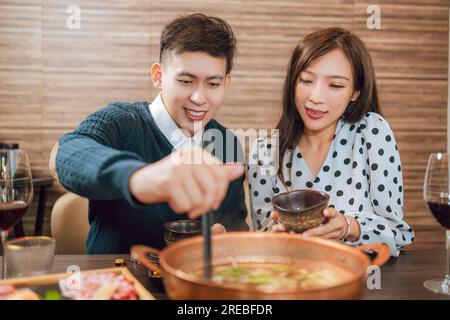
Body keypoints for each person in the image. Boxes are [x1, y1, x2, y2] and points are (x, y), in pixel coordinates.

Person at [52, 13, 249, 254]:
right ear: (159, 76)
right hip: (116, 282)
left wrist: (226, 236)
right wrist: (140, 177)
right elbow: (66, 154)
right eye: (186, 81)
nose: (199, 98)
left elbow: (235, 224)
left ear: (226, 83)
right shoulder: (120, 121)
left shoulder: (226, 143)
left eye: (213, 84)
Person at [248, 27, 414, 257]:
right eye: (306, 80)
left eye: (335, 85)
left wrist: (348, 227)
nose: (316, 97)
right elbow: (261, 239)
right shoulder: (264, 153)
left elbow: (398, 233)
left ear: (355, 91)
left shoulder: (370, 132)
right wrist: (276, 236)